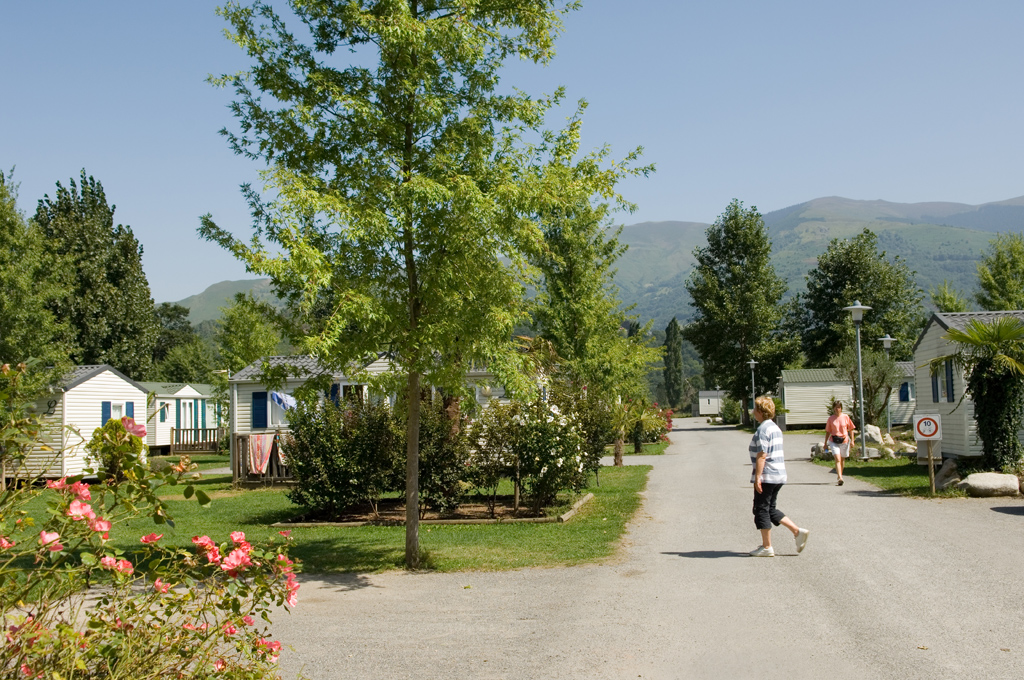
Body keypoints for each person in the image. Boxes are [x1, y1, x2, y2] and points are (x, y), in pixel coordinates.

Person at [749, 396, 809, 557]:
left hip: (768, 475)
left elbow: (762, 455)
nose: (753, 412)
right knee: (770, 509)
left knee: (760, 509)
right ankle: (797, 531)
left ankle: (767, 546)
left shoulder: (763, 429)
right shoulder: (775, 428)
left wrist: (758, 477)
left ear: (760, 412)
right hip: (779, 474)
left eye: (755, 409)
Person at [823, 401, 857, 486]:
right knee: (837, 459)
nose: (837, 409)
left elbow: (851, 429)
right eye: (835, 407)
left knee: (842, 460)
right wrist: (825, 443)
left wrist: (852, 440)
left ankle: (840, 474)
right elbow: (828, 431)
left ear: (841, 408)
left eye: (838, 407)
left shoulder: (845, 417)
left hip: (844, 441)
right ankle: (840, 477)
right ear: (833, 408)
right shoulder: (831, 419)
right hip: (834, 440)